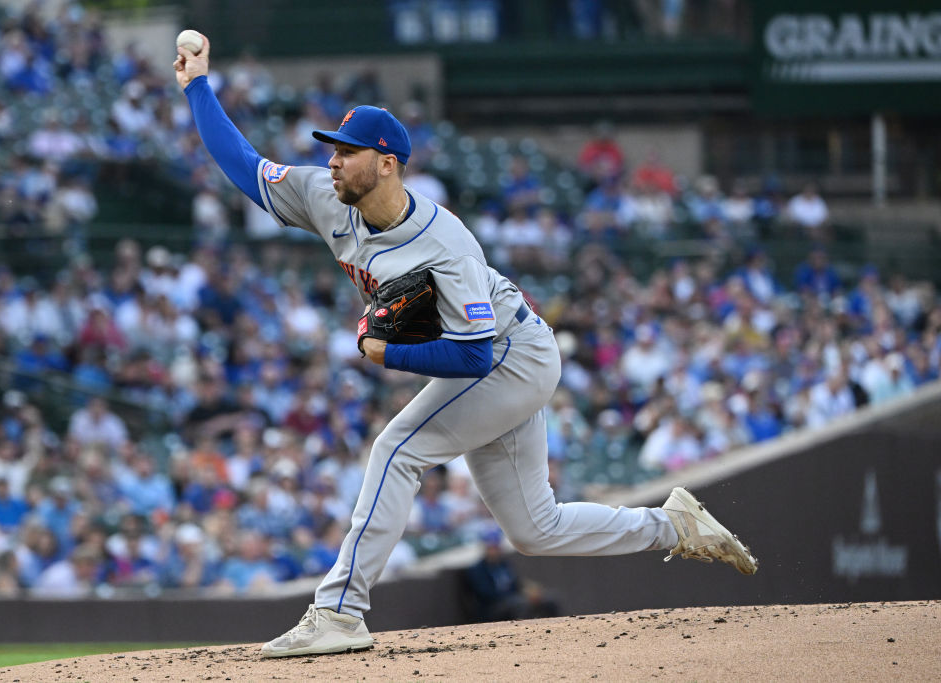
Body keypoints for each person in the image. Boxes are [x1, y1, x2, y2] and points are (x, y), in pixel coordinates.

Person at [175, 34, 758, 659]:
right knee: (536, 529)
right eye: (332, 150)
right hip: (496, 359)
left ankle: (340, 611)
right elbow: (245, 166)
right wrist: (198, 88)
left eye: (346, 151)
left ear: (387, 162)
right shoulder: (326, 196)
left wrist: (386, 355)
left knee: (396, 448)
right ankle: (674, 526)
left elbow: (474, 358)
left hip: (513, 354)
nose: (333, 160)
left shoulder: (445, 244)